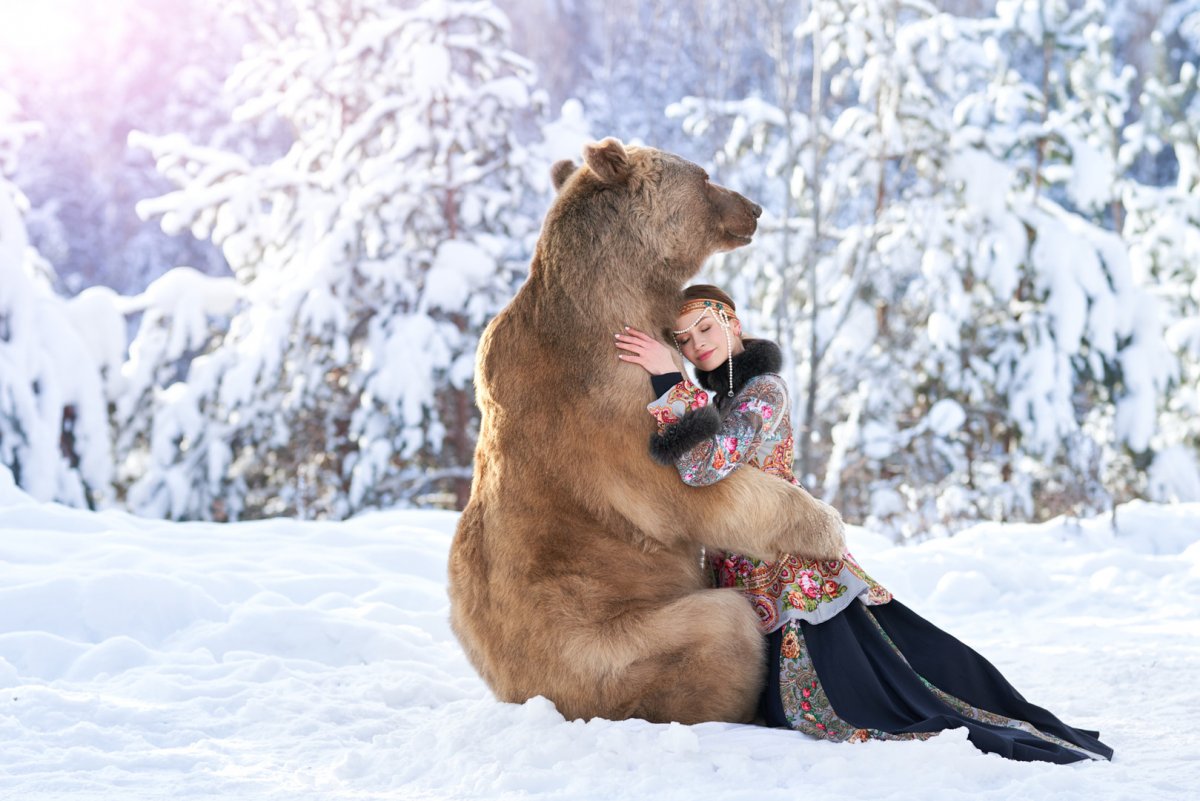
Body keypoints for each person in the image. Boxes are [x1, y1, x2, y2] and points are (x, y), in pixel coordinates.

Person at [613, 284, 1113, 764]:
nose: (696, 346)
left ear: (732, 323)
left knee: (842, 706)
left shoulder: (764, 391)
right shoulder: (722, 400)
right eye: (683, 341)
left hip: (784, 567)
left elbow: (705, 464)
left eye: (704, 329)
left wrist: (667, 378)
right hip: (739, 570)